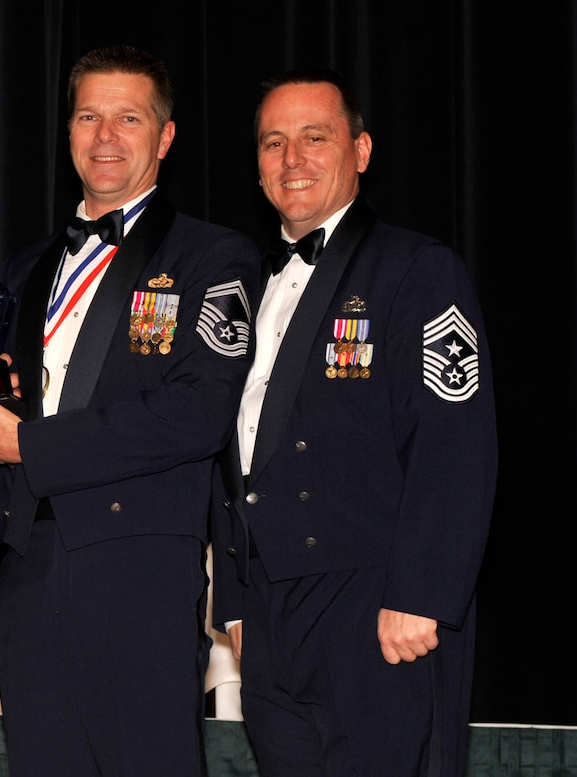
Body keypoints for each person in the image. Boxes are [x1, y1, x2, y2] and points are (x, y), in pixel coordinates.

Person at [0, 45, 261, 777]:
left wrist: (27, 444)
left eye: (128, 117)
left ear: (165, 137)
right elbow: (2, 414)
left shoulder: (217, 257)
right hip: (29, 584)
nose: (105, 136)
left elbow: (198, 412)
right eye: (88, 116)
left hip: (140, 575)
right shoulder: (22, 268)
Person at [210, 69, 497, 776]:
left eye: (316, 137)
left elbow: (456, 441)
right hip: (271, 617)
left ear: (361, 151)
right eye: (273, 142)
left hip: (376, 609)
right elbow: (233, 450)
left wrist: (421, 593)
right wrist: (238, 603)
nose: (292, 159)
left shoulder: (418, 269)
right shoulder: (245, 284)